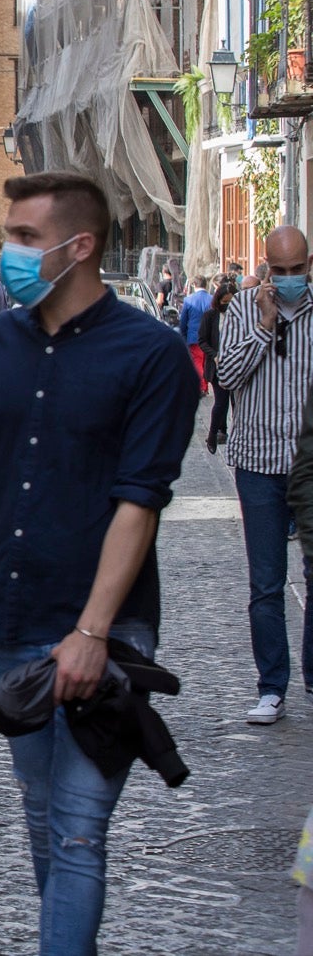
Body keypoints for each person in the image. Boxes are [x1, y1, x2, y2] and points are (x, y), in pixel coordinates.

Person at [0, 172, 197, 954]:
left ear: (81, 246)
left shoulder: (153, 355)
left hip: (107, 632)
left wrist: (95, 630)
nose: (9, 252)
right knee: (43, 824)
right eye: (10, 235)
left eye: (27, 239)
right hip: (14, 623)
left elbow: (141, 501)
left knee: (76, 832)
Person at [222, 226, 313, 725]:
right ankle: (271, 687)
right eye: (277, 271)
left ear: (309, 265)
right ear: (265, 266)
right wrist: (264, 324)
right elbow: (227, 377)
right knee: (266, 583)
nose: (286, 280)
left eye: (295, 271)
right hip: (258, 462)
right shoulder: (241, 309)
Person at [199, 278, 236, 454]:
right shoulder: (210, 316)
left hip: (237, 365)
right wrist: (214, 355)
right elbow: (202, 340)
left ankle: (235, 434)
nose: (227, 305)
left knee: (237, 403)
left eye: (230, 302)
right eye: (224, 302)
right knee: (221, 402)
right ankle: (214, 433)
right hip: (217, 366)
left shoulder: (239, 316)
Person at [179, 274, 212, 394]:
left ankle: (202, 387)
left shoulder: (189, 300)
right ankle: (205, 386)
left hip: (194, 337)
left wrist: (183, 336)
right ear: (206, 284)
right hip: (209, 337)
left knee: (197, 361)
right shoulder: (212, 299)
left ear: (194, 285)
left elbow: (183, 321)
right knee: (206, 361)